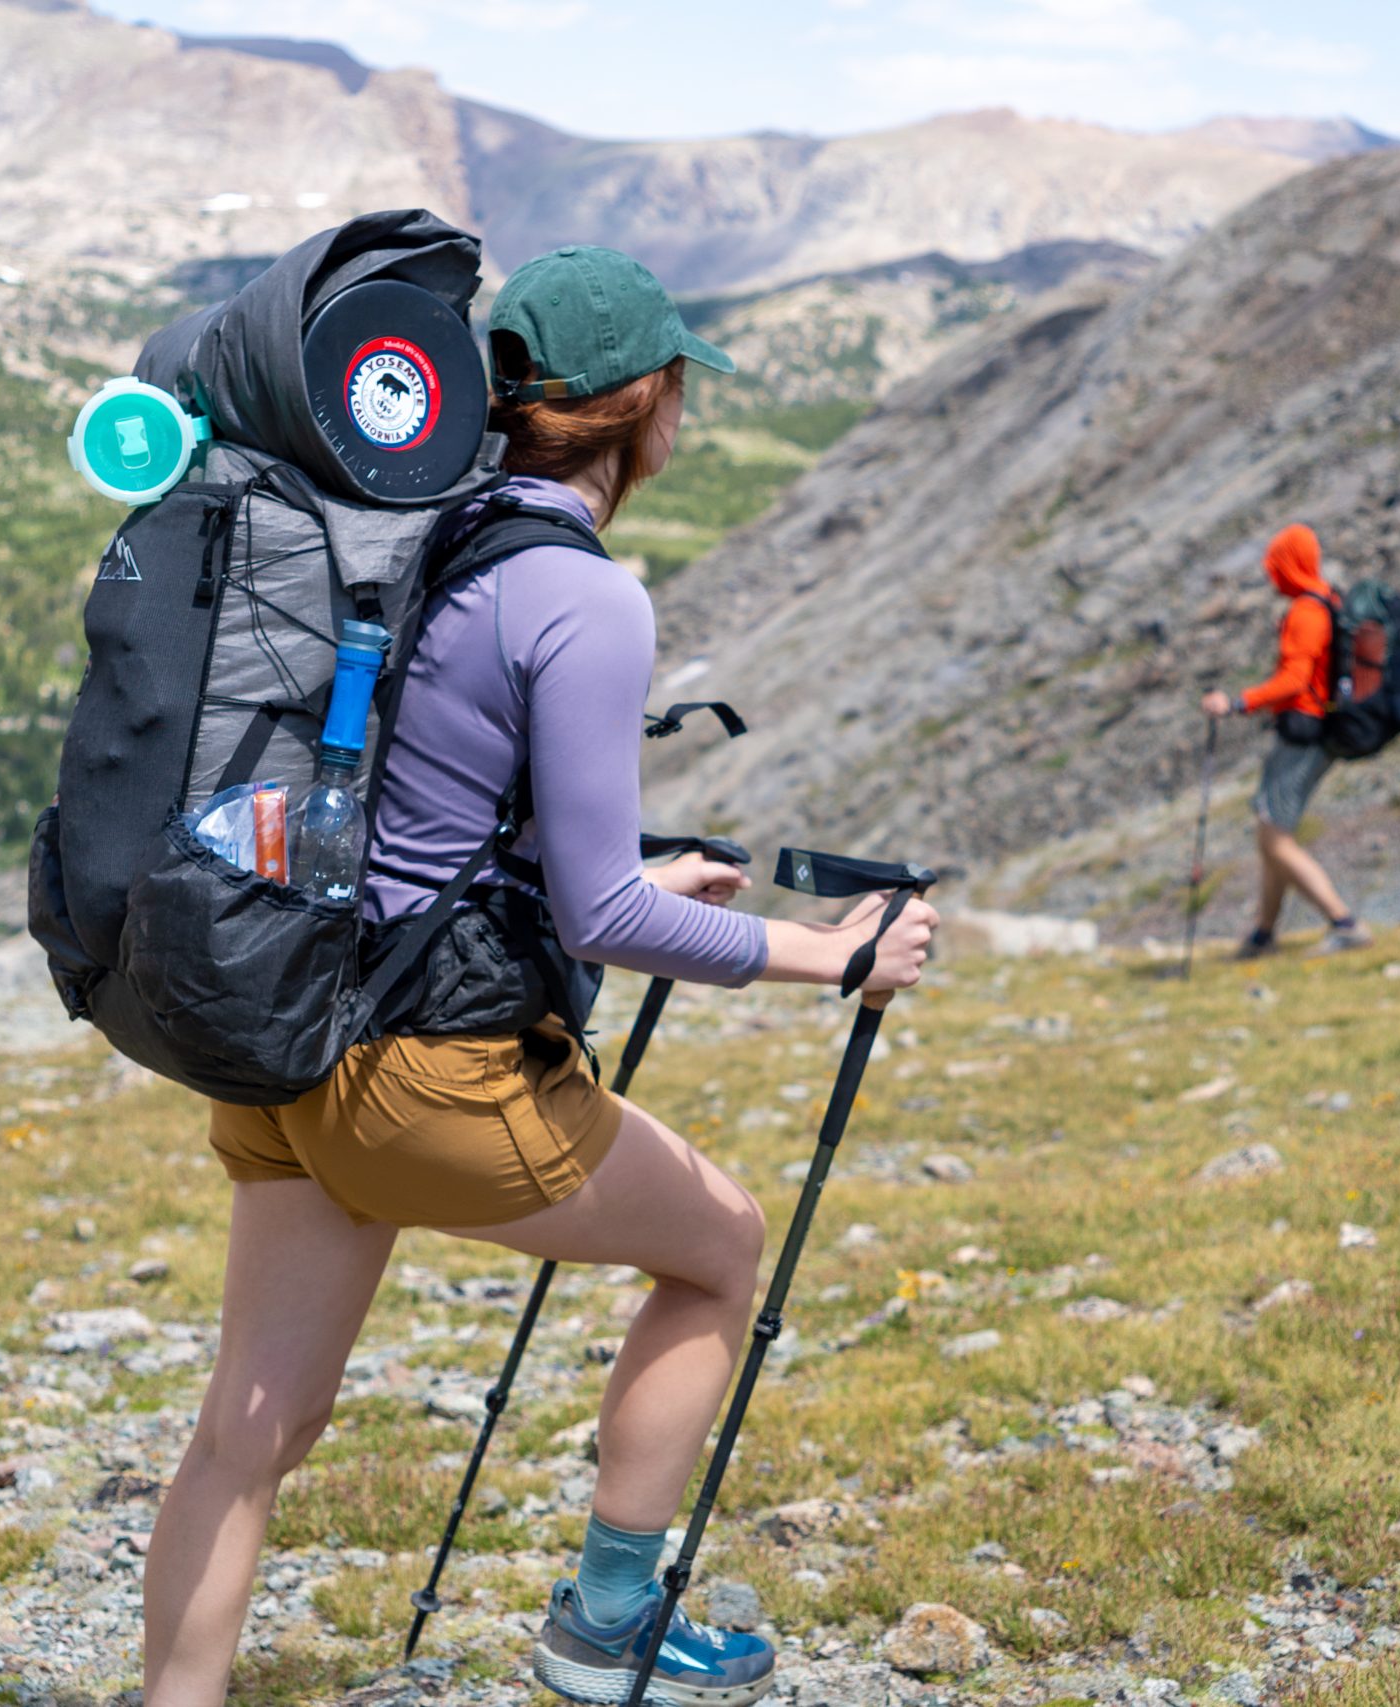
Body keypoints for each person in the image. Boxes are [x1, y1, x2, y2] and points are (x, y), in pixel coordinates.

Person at [139, 245, 940, 1707]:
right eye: (680, 389)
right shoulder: (585, 593)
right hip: (422, 1070)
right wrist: (837, 953)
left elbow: (434, 802)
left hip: (281, 1030)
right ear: (646, 404)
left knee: (250, 1429)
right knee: (720, 1247)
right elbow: (608, 908)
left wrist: (604, 881)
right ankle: (609, 1621)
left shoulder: (402, 529)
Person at [1200, 524, 1370, 958]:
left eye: (1275, 566)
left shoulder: (1306, 612)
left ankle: (1344, 922)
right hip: (1319, 729)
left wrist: (1237, 703)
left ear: (1288, 566)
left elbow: (1293, 681)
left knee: (1273, 838)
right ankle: (1263, 933)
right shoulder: (1326, 599)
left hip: (1303, 733)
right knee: (1273, 832)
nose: (1270, 575)